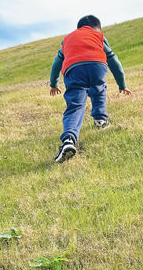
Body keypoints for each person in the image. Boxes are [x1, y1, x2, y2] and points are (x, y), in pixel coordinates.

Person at [49, 15, 131, 163]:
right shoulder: (98, 36)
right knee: (99, 88)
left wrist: (53, 84)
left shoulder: (68, 39)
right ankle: (100, 119)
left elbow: (56, 63)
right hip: (97, 65)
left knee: (75, 105)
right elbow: (114, 61)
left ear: (78, 28)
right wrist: (122, 85)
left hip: (74, 69)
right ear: (97, 28)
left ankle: (68, 140)